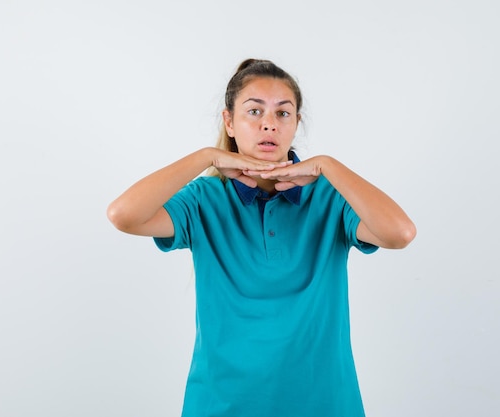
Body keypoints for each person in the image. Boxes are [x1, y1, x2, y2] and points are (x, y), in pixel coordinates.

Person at [106, 58, 416, 417]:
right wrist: (207, 156)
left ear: (296, 123)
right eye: (254, 111)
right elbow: (123, 215)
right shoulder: (203, 199)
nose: (269, 123)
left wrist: (327, 165)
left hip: (324, 404)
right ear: (229, 122)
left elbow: (400, 233)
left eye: (283, 114)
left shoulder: (331, 198)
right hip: (221, 405)